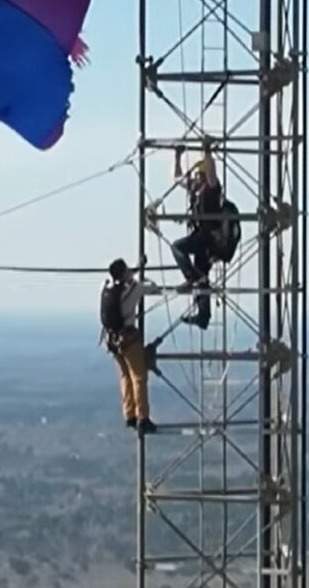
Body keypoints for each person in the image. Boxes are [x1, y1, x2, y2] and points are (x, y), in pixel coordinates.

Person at [100, 258, 161, 434]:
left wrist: (135, 269)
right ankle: (143, 418)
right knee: (138, 377)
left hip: (112, 340)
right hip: (128, 339)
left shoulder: (107, 287)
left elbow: (121, 279)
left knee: (125, 376)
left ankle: (129, 415)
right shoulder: (134, 289)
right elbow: (154, 287)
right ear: (125, 273)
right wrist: (142, 277)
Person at [170, 147, 221, 329]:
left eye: (201, 174)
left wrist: (208, 153)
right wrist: (177, 158)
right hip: (203, 237)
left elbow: (212, 169)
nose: (198, 177)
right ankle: (203, 316)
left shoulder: (212, 187)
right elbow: (177, 179)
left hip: (207, 237)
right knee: (203, 276)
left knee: (177, 247)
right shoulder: (195, 187)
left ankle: (191, 277)